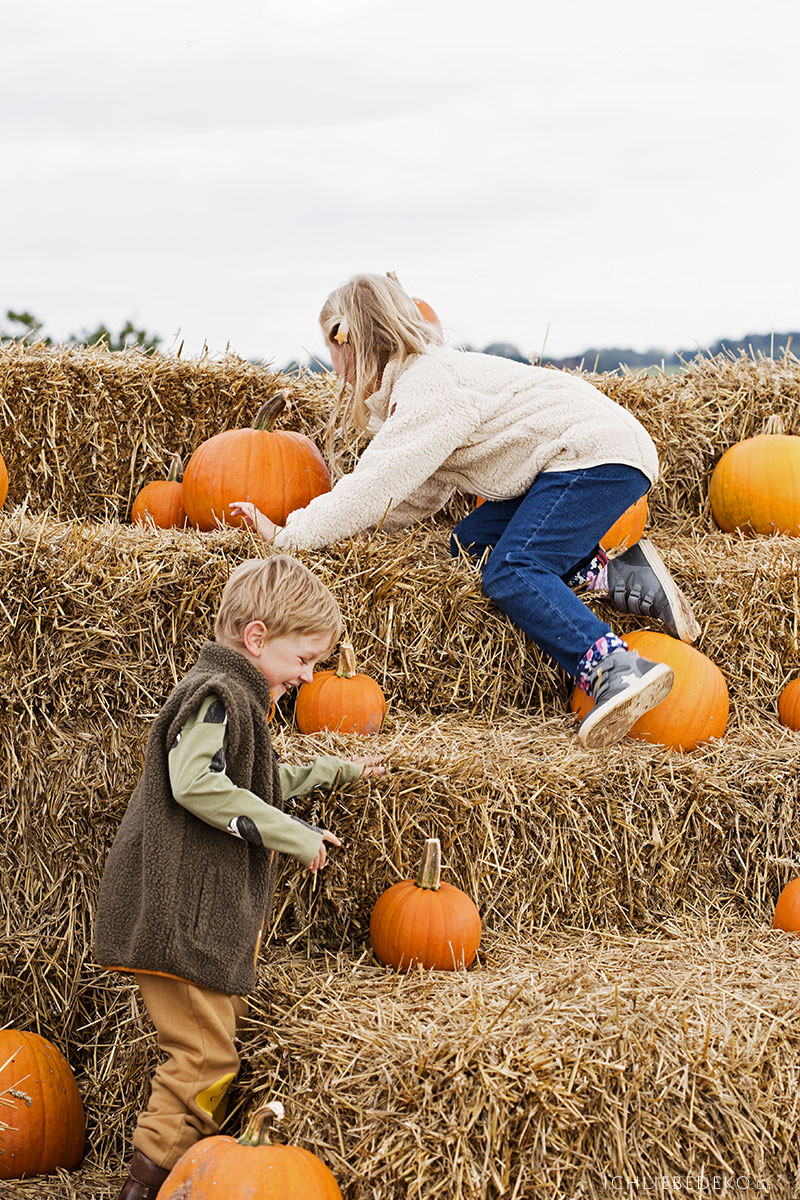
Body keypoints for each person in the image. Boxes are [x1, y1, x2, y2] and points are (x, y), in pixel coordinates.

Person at [231, 272, 700, 750]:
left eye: (333, 356)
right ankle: (614, 572)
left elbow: (373, 486)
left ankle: (613, 666)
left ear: (348, 340)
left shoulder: (428, 386)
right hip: (571, 459)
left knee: (513, 569)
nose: (335, 372)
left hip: (595, 454)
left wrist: (290, 535)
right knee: (469, 546)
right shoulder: (419, 386)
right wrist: (364, 530)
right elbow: (414, 493)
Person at [93, 555, 384, 1200]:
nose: (309, 676)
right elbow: (196, 782)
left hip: (194, 915)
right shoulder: (218, 694)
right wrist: (294, 834)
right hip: (179, 914)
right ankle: (152, 1183)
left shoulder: (241, 699)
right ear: (256, 639)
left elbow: (249, 782)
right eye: (304, 659)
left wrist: (331, 773)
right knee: (204, 1060)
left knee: (212, 1050)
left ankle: (183, 1173)